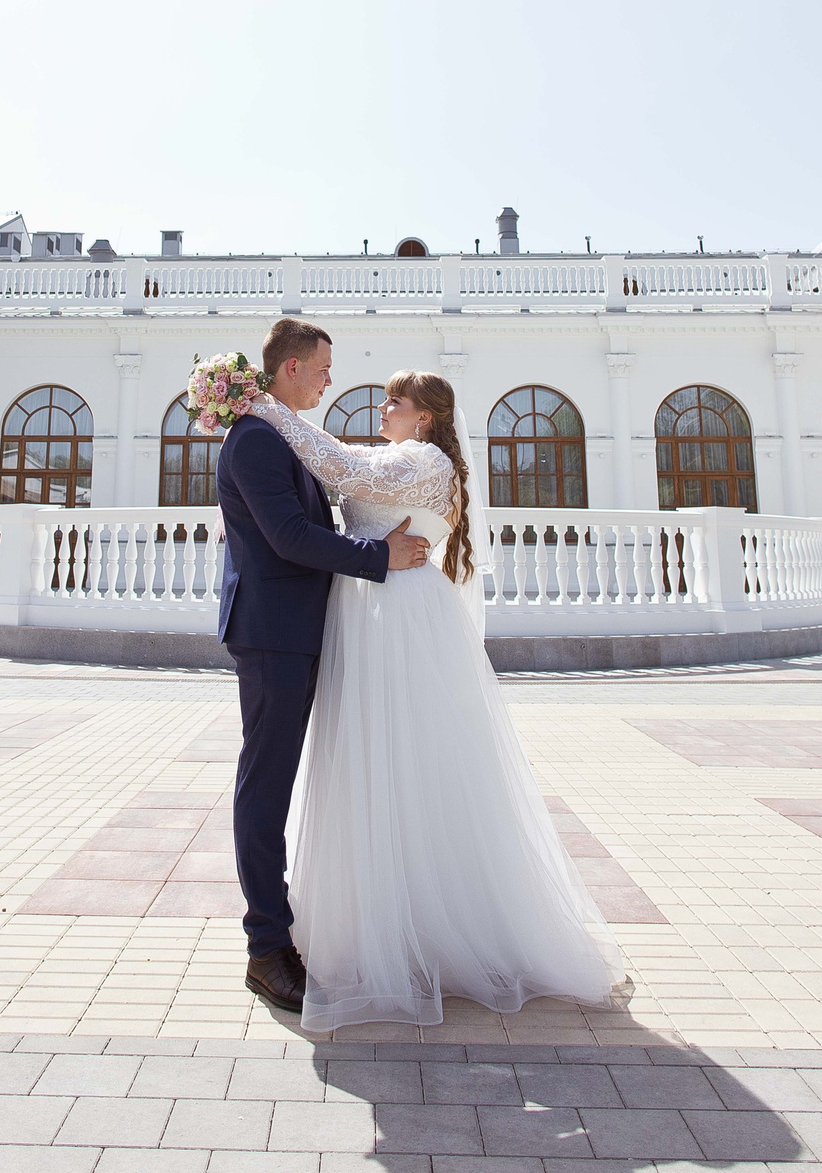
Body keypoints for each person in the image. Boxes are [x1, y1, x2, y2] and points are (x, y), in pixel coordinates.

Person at [241, 367, 624, 1031]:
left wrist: (266, 408)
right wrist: (277, 414)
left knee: (410, 764)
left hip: (401, 617)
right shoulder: (405, 455)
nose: (382, 406)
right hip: (374, 611)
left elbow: (338, 468)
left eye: (395, 400)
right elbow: (342, 461)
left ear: (425, 418)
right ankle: (390, 918)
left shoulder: (422, 460)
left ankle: (427, 932)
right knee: (383, 765)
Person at [217, 318, 428, 1014]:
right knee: (266, 786)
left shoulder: (280, 436)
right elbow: (287, 537)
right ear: (290, 372)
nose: (331, 381)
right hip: (274, 634)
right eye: (324, 368)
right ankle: (266, 948)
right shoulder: (253, 439)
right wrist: (379, 559)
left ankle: (282, 932)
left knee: (278, 783)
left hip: (299, 631)